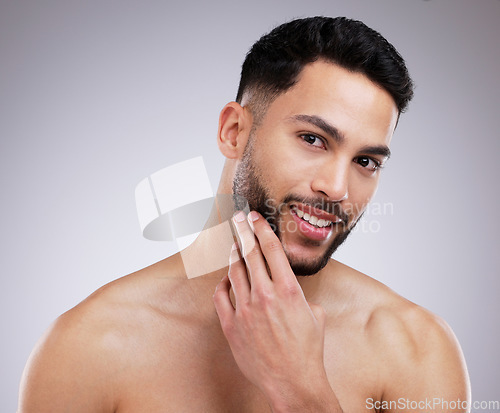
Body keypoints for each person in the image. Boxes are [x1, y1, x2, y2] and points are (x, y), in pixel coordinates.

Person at [18, 16, 470, 412]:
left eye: (366, 161)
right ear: (234, 131)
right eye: (313, 139)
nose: (337, 188)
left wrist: (300, 390)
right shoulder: (87, 349)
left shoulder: (416, 349)